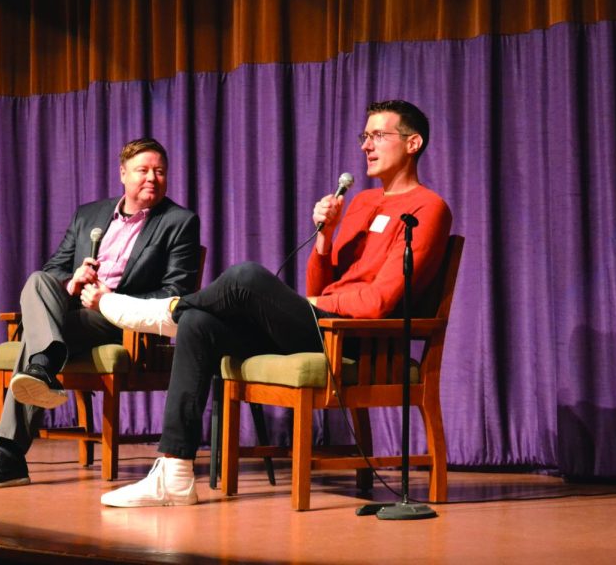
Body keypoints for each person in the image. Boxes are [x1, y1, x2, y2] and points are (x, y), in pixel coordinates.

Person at [97, 100, 453, 507]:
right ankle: (175, 473)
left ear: (413, 143)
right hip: (320, 322)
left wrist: (321, 302)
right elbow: (320, 283)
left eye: (378, 136)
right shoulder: (362, 204)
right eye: (365, 136)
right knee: (198, 324)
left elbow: (382, 302)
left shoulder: (429, 208)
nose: (367, 146)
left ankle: (165, 311)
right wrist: (325, 237)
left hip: (356, 339)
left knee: (246, 277)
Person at [0, 138, 201, 489]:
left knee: (35, 339)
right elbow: (53, 269)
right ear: (123, 174)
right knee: (38, 281)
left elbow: (176, 293)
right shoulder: (89, 214)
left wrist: (109, 298)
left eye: (159, 172)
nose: (151, 178)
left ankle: (10, 452)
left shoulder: (179, 221)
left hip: (117, 318)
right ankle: (44, 365)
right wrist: (73, 282)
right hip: (72, 312)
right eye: (142, 170)